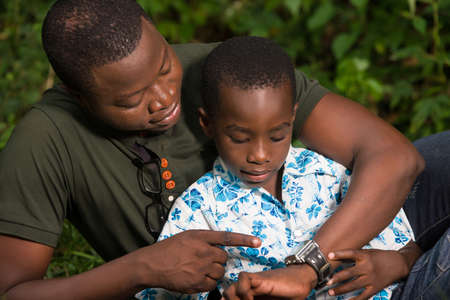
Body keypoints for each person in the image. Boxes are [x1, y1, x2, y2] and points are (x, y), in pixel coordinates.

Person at [0, 0, 436, 299]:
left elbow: (394, 158)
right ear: (78, 96)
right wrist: (139, 269)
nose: (165, 98)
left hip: (359, 235)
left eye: (165, 66)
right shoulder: (45, 142)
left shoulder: (223, 72)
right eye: (132, 101)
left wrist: (315, 267)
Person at [135, 36, 422, 300]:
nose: (260, 155)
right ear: (207, 124)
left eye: (277, 136)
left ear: (293, 117)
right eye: (239, 138)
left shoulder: (329, 172)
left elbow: (408, 251)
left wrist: (398, 263)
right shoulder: (198, 209)